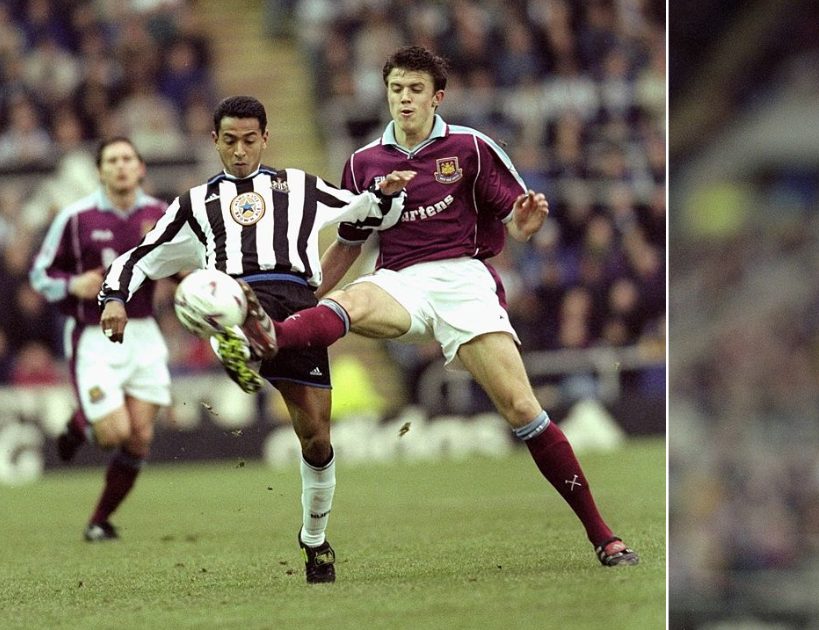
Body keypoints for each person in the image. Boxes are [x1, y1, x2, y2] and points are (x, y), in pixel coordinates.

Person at [217, 46, 639, 567]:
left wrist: (526, 227)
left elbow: (517, 217)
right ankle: (271, 336)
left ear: (436, 97)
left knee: (523, 411)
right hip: (399, 280)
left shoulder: (471, 148)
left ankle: (603, 536)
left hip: (464, 280)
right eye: (396, 90)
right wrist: (311, 295)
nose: (404, 99)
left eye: (415, 90)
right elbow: (351, 240)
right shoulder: (363, 162)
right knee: (350, 301)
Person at [98, 95, 415, 583]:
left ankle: (314, 539)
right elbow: (142, 255)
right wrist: (114, 298)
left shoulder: (301, 186)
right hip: (235, 291)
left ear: (265, 137)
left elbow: (366, 209)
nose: (240, 151)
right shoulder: (196, 203)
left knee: (316, 438)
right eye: (230, 141)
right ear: (214, 142)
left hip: (300, 303)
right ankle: (242, 336)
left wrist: (387, 193)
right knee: (227, 298)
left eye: (249, 140)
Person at [29, 137, 172, 542]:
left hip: (143, 331)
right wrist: (73, 283)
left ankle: (98, 521)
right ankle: (81, 425)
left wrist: (195, 286)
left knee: (139, 436)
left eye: (128, 158)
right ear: (100, 170)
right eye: (112, 160)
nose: (121, 166)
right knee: (114, 433)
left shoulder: (160, 215)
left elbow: (180, 263)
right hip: (93, 335)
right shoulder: (76, 218)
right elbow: (41, 272)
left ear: (141, 167)